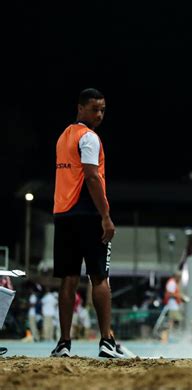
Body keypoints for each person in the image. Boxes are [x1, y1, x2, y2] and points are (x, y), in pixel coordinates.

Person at [51, 88, 122, 358]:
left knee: (68, 279)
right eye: (95, 109)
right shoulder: (90, 138)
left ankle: (64, 344)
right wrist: (105, 216)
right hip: (89, 215)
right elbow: (92, 177)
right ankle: (106, 341)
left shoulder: (63, 138)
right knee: (99, 277)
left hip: (63, 214)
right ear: (80, 108)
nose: (100, 114)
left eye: (103, 109)